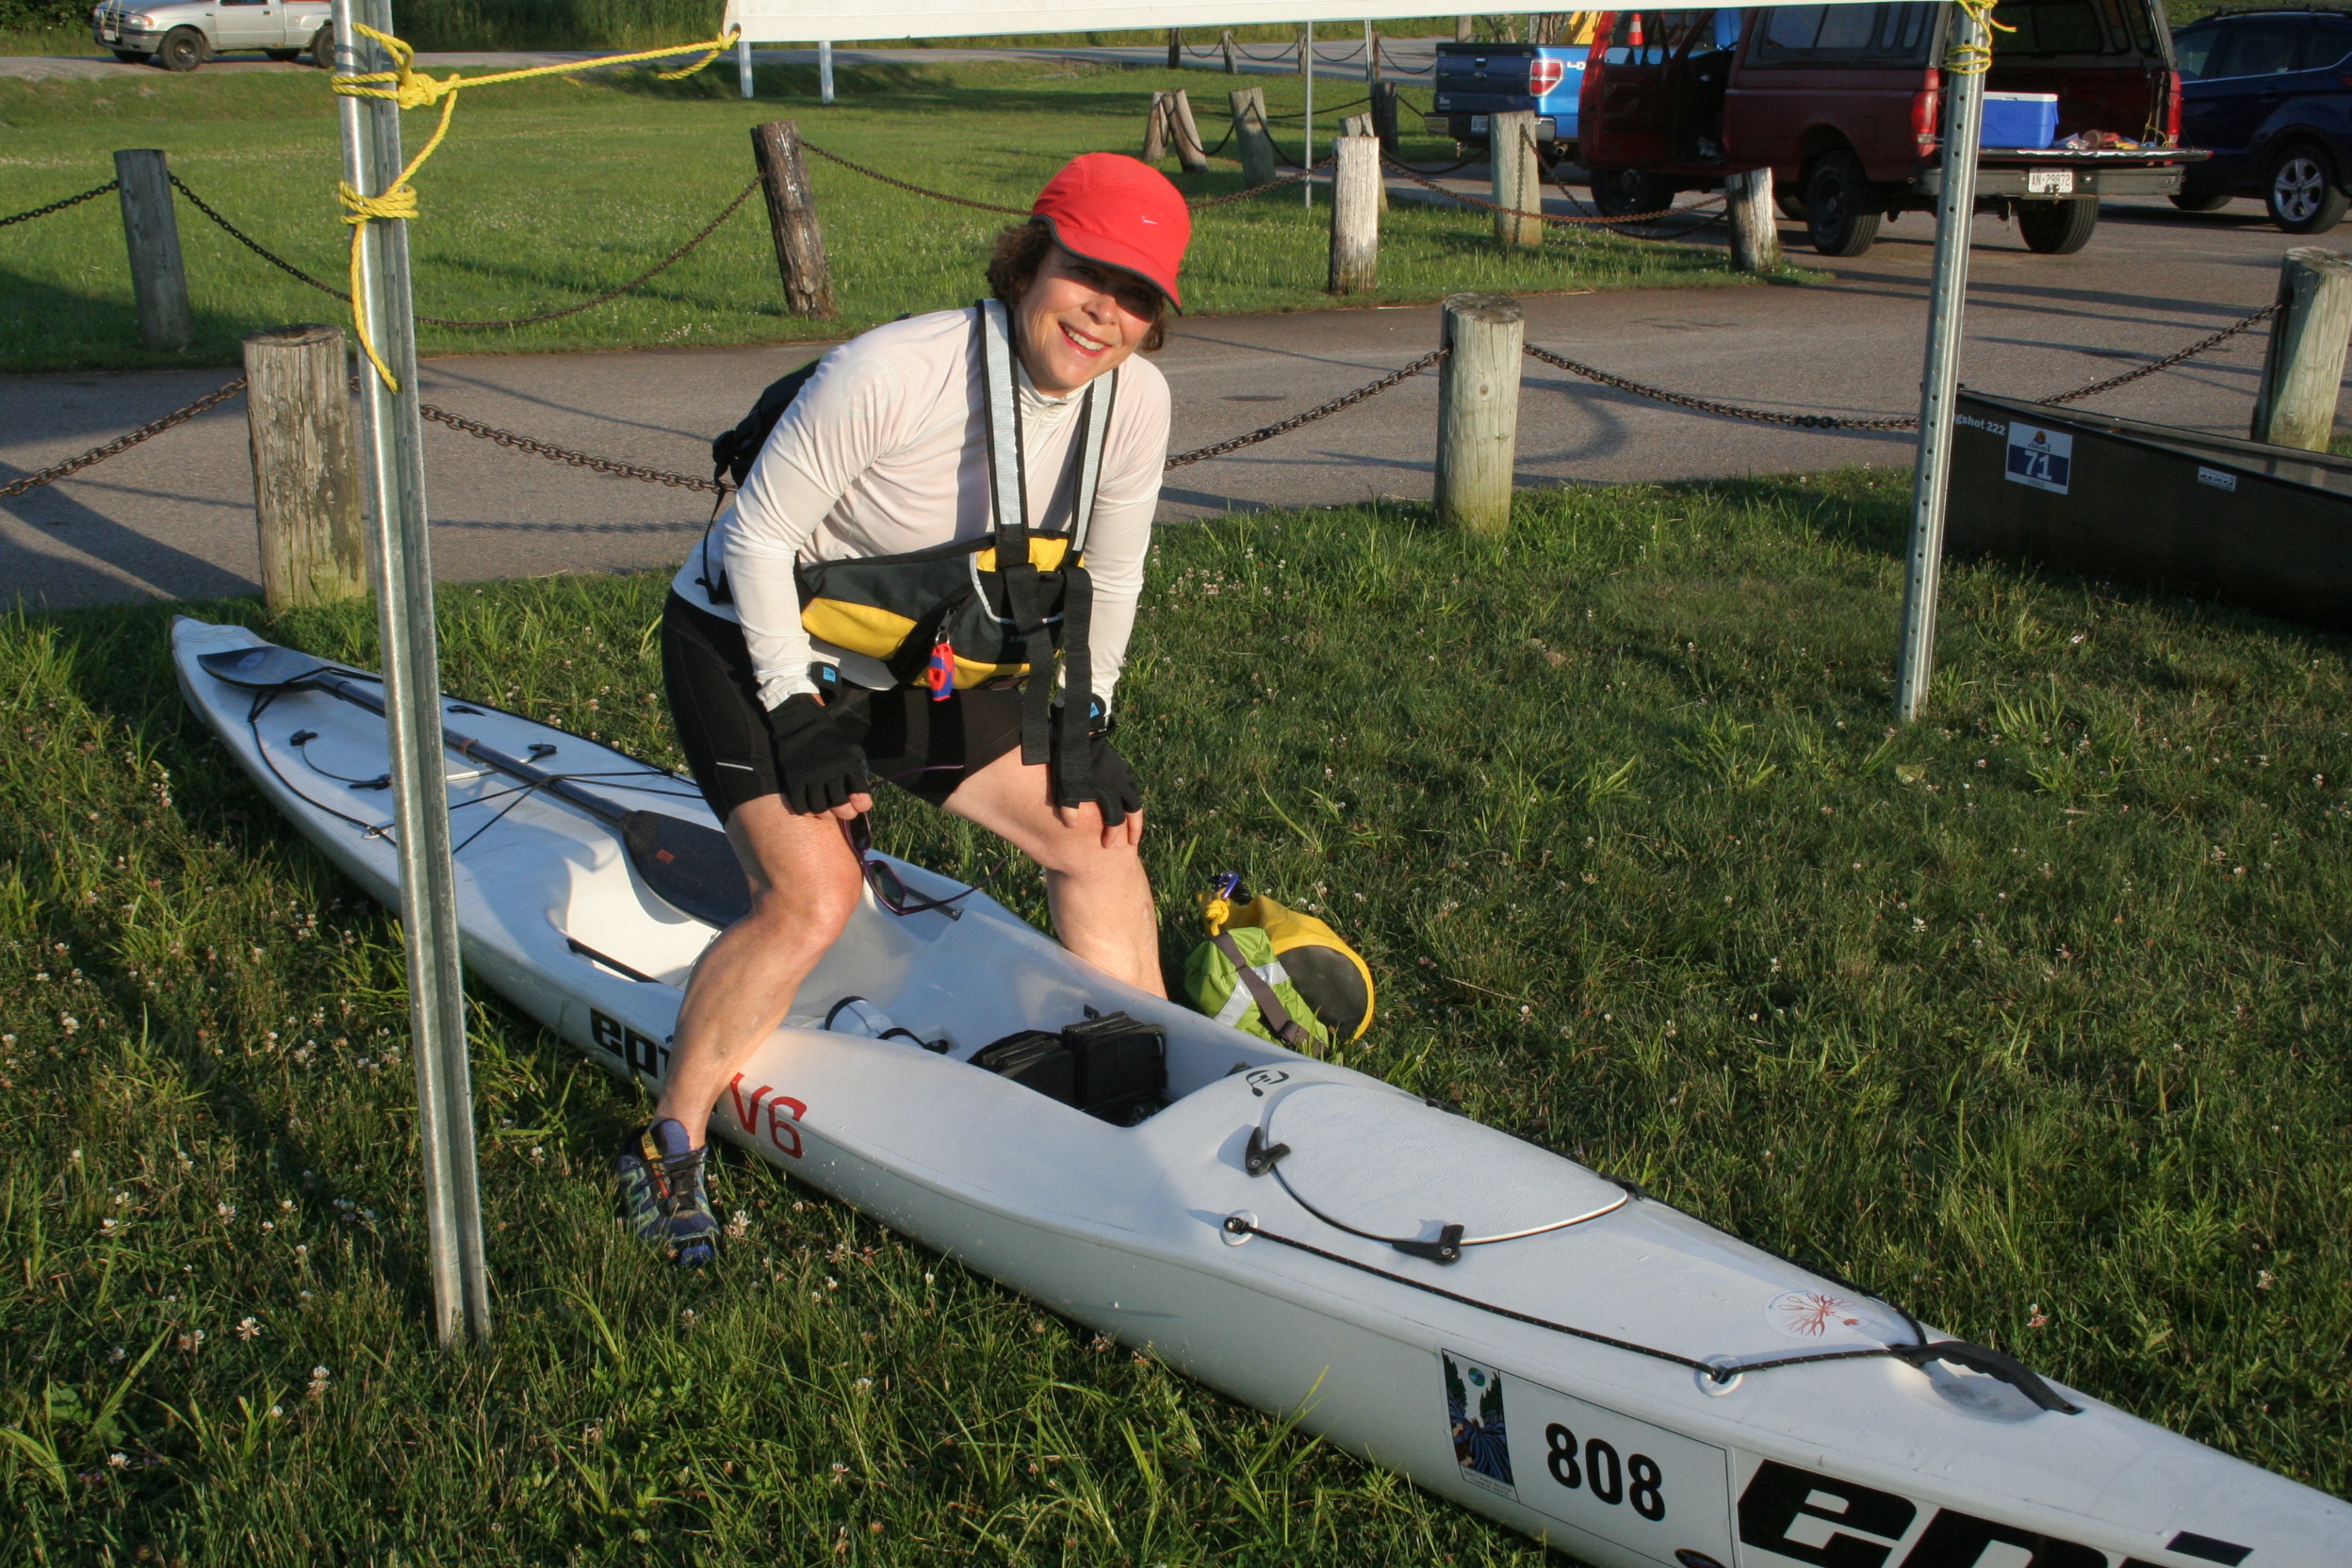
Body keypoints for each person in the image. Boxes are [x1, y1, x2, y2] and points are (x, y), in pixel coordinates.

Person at [617, 154, 1190, 1266]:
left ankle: (1163, 1097)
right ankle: (669, 1136)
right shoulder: (892, 372)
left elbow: (1110, 577)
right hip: (750, 641)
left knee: (1096, 832)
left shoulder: (1136, 402)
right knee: (813, 896)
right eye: (1088, 274)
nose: (1104, 315)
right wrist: (792, 708)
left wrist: (1088, 719)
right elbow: (758, 539)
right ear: (1032, 258)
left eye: (1137, 298)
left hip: (914, 655)